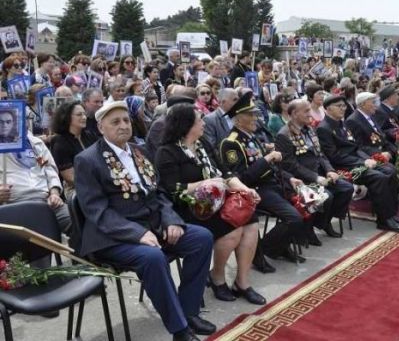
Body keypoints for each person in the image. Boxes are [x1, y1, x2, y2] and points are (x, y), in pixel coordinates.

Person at [74, 101, 216, 340]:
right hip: (112, 236)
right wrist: (136, 234)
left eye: (126, 120)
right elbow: (96, 210)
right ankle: (180, 329)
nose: (123, 126)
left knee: (202, 238)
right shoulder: (87, 160)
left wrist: (171, 220)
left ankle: (188, 311)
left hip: (152, 225)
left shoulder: (140, 151)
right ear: (100, 128)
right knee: (153, 257)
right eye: (115, 122)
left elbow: (159, 192)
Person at [155, 103, 266, 305]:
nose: (203, 122)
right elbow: (171, 189)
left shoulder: (203, 144)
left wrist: (244, 189)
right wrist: (205, 184)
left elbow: (225, 173)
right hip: (189, 208)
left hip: (217, 201)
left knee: (251, 220)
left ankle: (242, 282)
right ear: (186, 125)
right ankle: (217, 277)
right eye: (199, 119)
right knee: (232, 228)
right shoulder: (167, 152)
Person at [220, 91, 306, 266]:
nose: (255, 118)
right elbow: (242, 178)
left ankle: (278, 247)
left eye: (255, 114)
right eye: (250, 115)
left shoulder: (253, 137)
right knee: (294, 218)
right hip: (256, 189)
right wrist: (267, 158)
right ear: (238, 119)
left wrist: (289, 178)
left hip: (273, 184)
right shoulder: (231, 143)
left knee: (307, 206)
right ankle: (264, 248)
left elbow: (272, 167)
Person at [316, 95, 399, 232]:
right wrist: (363, 161)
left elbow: (355, 147)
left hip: (356, 161)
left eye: (344, 106)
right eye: (338, 106)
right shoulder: (324, 128)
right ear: (328, 109)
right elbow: (334, 156)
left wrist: (369, 159)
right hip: (342, 167)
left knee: (390, 170)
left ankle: (391, 214)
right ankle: (383, 220)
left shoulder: (342, 124)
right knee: (379, 177)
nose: (343, 108)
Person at [276, 99, 354, 242]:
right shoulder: (284, 135)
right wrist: (316, 178)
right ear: (294, 114)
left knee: (346, 188)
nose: (310, 114)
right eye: (306, 111)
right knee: (327, 196)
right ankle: (309, 228)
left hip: (320, 173)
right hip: (301, 180)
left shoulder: (309, 129)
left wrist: (330, 170)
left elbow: (321, 154)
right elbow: (291, 166)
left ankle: (323, 222)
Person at [50, 101, 96, 201]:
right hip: (75, 189)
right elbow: (71, 178)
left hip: (96, 182)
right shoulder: (60, 142)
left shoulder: (90, 136)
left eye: (84, 114)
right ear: (66, 117)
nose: (84, 117)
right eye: (79, 114)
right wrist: (97, 185)